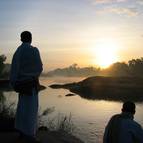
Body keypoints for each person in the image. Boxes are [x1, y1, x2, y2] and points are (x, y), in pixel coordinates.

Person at [10, 31, 43, 143]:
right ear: (31, 39)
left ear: (21, 39)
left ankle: (22, 133)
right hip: (32, 85)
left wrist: (14, 84)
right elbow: (39, 68)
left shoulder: (18, 52)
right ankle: (30, 135)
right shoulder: (34, 51)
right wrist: (33, 76)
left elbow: (14, 69)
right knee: (32, 110)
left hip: (22, 85)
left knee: (22, 109)